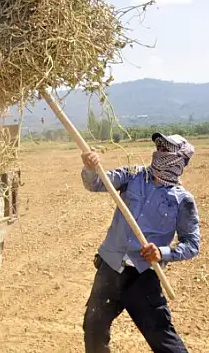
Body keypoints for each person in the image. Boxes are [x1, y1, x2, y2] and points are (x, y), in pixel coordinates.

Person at [80, 132, 201, 353]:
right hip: (111, 267)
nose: (159, 152)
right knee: (93, 328)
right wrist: (90, 167)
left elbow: (192, 243)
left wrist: (162, 253)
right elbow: (97, 182)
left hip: (143, 276)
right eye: (159, 147)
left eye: (165, 150)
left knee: (164, 340)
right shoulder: (133, 175)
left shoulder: (182, 200)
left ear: (178, 159)